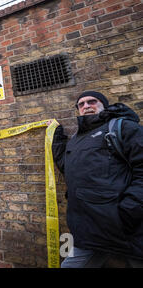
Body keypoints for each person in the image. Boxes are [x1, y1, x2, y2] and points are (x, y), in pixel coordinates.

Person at [52, 91, 143, 268]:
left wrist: (129, 210)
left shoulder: (123, 128)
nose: (86, 106)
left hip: (126, 227)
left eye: (92, 101)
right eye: (81, 104)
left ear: (104, 105)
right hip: (89, 229)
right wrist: (57, 137)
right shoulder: (77, 139)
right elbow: (67, 166)